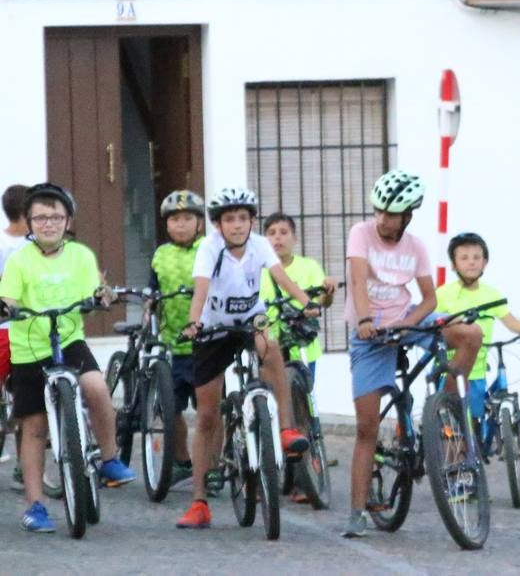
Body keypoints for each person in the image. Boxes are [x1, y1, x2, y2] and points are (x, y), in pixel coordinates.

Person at [343, 170, 483, 539]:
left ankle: (445, 406)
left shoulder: (416, 247)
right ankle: (357, 512)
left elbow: (430, 300)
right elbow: (357, 281)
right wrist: (364, 320)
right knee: (366, 427)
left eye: (391, 214)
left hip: (407, 319)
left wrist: (408, 324)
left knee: (470, 333)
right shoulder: (361, 233)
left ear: (407, 216)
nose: (382, 219)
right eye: (379, 211)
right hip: (370, 332)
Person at [175, 188, 320, 529]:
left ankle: (284, 429)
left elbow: (281, 277)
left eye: (243, 218)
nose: (237, 225)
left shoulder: (259, 244)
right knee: (207, 415)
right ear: (218, 225)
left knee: (271, 347)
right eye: (230, 219)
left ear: (252, 221)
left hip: (251, 320)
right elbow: (201, 289)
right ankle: (199, 502)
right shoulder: (209, 248)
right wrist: (194, 323)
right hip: (214, 329)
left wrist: (306, 303)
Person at [0, 183, 136, 532]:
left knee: (97, 388)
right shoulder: (20, 260)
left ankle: (109, 458)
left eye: (55, 217)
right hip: (29, 347)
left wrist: (101, 296)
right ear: (28, 222)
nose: (48, 224)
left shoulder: (80, 255)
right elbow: (9, 297)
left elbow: (94, 289)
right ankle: (35, 506)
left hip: (69, 340)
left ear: (68, 221)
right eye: (40, 218)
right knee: (34, 427)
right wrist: (7, 308)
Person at [434, 232, 520, 425]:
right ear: (453, 264)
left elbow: (512, 323)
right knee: (448, 425)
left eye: (476, 257)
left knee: (474, 424)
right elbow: (433, 326)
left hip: (477, 372)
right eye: (464, 258)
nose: (471, 262)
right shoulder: (443, 294)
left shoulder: (493, 295)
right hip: (449, 370)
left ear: (485, 262)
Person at [148, 190, 206, 489]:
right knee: (171, 409)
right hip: (173, 345)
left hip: (207, 344)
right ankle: (182, 461)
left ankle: (212, 466)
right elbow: (153, 291)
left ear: (199, 223)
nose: (180, 225)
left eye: (187, 218)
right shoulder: (160, 255)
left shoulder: (208, 250)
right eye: (174, 219)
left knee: (210, 411)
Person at [259, 211, 337, 380]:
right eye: (272, 233)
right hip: (268, 347)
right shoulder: (257, 271)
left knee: (303, 395)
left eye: (283, 232)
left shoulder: (309, 266)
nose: (277, 237)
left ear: (294, 238)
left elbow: (322, 302)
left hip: (303, 347)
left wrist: (329, 291)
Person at [0, 184, 29, 491]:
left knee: (28, 399)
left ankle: (25, 466)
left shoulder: (37, 243)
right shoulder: (5, 244)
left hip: (30, 329)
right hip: (6, 329)